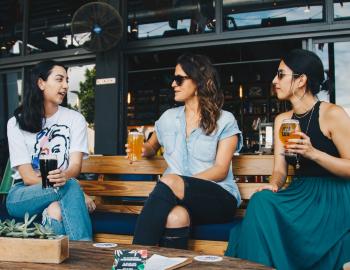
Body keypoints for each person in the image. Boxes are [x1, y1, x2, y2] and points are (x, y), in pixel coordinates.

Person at [225, 49, 350, 269]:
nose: (274, 80)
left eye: (281, 74)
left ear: (301, 80)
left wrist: (313, 153)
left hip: (333, 197)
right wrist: (272, 185)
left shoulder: (333, 114)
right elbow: (280, 170)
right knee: (261, 202)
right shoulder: (282, 120)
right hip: (299, 191)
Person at [129, 53, 242, 249]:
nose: (173, 84)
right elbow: (152, 146)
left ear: (198, 81)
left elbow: (221, 170)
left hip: (218, 198)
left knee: (172, 180)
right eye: (174, 79)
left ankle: (134, 257)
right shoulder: (168, 118)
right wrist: (141, 149)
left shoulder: (224, 119)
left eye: (179, 79)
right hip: (179, 199)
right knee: (175, 217)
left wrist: (181, 184)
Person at [6, 60, 95, 240]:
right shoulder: (16, 122)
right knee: (70, 184)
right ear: (41, 83)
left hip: (59, 189)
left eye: (67, 80)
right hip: (22, 194)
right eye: (59, 79)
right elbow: (29, 177)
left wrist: (66, 179)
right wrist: (74, 187)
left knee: (55, 209)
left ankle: (60, 257)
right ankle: (86, 248)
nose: (65, 86)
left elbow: (75, 167)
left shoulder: (75, 119)